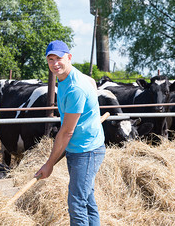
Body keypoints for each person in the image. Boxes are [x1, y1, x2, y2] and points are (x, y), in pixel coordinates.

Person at [34, 40, 105, 226]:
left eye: (59, 58)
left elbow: (66, 132)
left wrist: (48, 164)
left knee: (77, 204)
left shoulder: (75, 88)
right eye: (50, 59)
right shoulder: (67, 78)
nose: (55, 63)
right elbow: (91, 82)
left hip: (86, 151)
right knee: (87, 201)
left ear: (69, 57)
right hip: (78, 146)